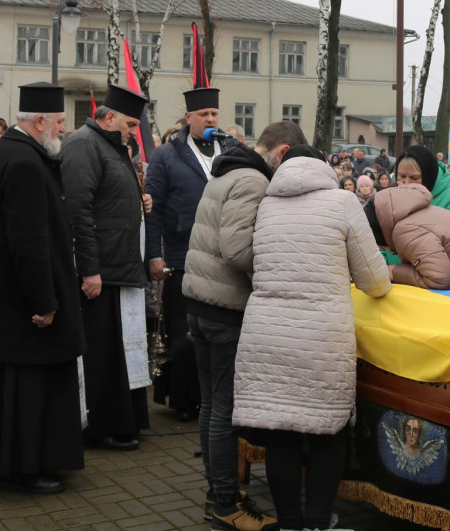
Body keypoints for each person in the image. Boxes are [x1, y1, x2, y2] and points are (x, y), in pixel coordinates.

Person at [232, 146, 390, 531]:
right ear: (325, 167)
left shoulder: (267, 205)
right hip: (321, 336)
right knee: (327, 432)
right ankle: (318, 523)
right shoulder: (343, 202)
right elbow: (374, 280)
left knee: (280, 435)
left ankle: (289, 523)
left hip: (267, 333)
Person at [184, 120, 307, 531]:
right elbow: (237, 249)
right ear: (282, 151)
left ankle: (216, 492)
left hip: (200, 301)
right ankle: (224, 503)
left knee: (209, 405)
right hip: (224, 308)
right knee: (223, 410)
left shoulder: (227, 170)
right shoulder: (253, 180)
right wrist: (275, 275)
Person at [0, 84, 85, 494]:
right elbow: (29, 242)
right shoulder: (26, 164)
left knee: (13, 389)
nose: (64, 131)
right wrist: (45, 301)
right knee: (29, 391)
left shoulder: (11, 153)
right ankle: (25, 467)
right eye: (61, 123)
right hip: (23, 308)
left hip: (6, 305)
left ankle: (11, 462)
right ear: (39, 122)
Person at [61, 87, 154, 453]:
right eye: (131, 124)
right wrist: (89, 269)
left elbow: (110, 197)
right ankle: (100, 426)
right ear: (109, 117)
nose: (134, 131)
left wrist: (139, 198)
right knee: (102, 355)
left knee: (121, 352)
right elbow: (79, 210)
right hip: (101, 269)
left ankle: (126, 419)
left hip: (121, 266)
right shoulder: (84, 144)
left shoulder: (112, 146)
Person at [145, 87, 222, 421]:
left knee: (216, 329)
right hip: (181, 253)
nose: (209, 119)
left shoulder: (228, 148)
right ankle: (183, 399)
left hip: (222, 254)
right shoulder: (168, 155)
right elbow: (154, 209)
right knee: (183, 332)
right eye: (203, 114)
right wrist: (153, 255)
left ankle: (213, 396)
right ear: (188, 118)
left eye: (214, 114)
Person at [394, 145, 450, 218]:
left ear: (428, 177)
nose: (406, 183)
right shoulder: (393, 194)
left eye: (414, 178)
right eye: (402, 176)